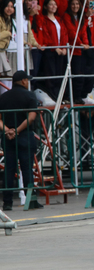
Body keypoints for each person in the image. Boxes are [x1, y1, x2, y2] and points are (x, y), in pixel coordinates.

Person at [0, 70, 43, 211]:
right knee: (27, 168)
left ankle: (7, 202)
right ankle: (31, 200)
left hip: (8, 138)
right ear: (24, 81)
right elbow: (31, 118)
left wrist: (7, 130)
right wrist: (17, 130)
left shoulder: (3, 97)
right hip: (24, 135)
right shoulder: (30, 96)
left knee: (9, 169)